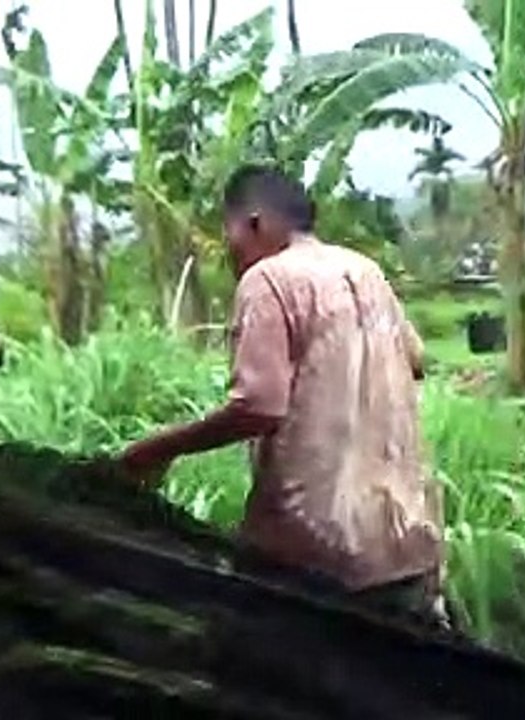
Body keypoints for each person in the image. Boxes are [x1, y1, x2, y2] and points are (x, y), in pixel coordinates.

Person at [118, 164, 448, 628]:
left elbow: (258, 404)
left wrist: (155, 449)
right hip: (407, 545)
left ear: (253, 223)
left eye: (228, 232)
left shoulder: (268, 279)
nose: (228, 251)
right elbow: (413, 359)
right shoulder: (365, 271)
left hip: (314, 557)